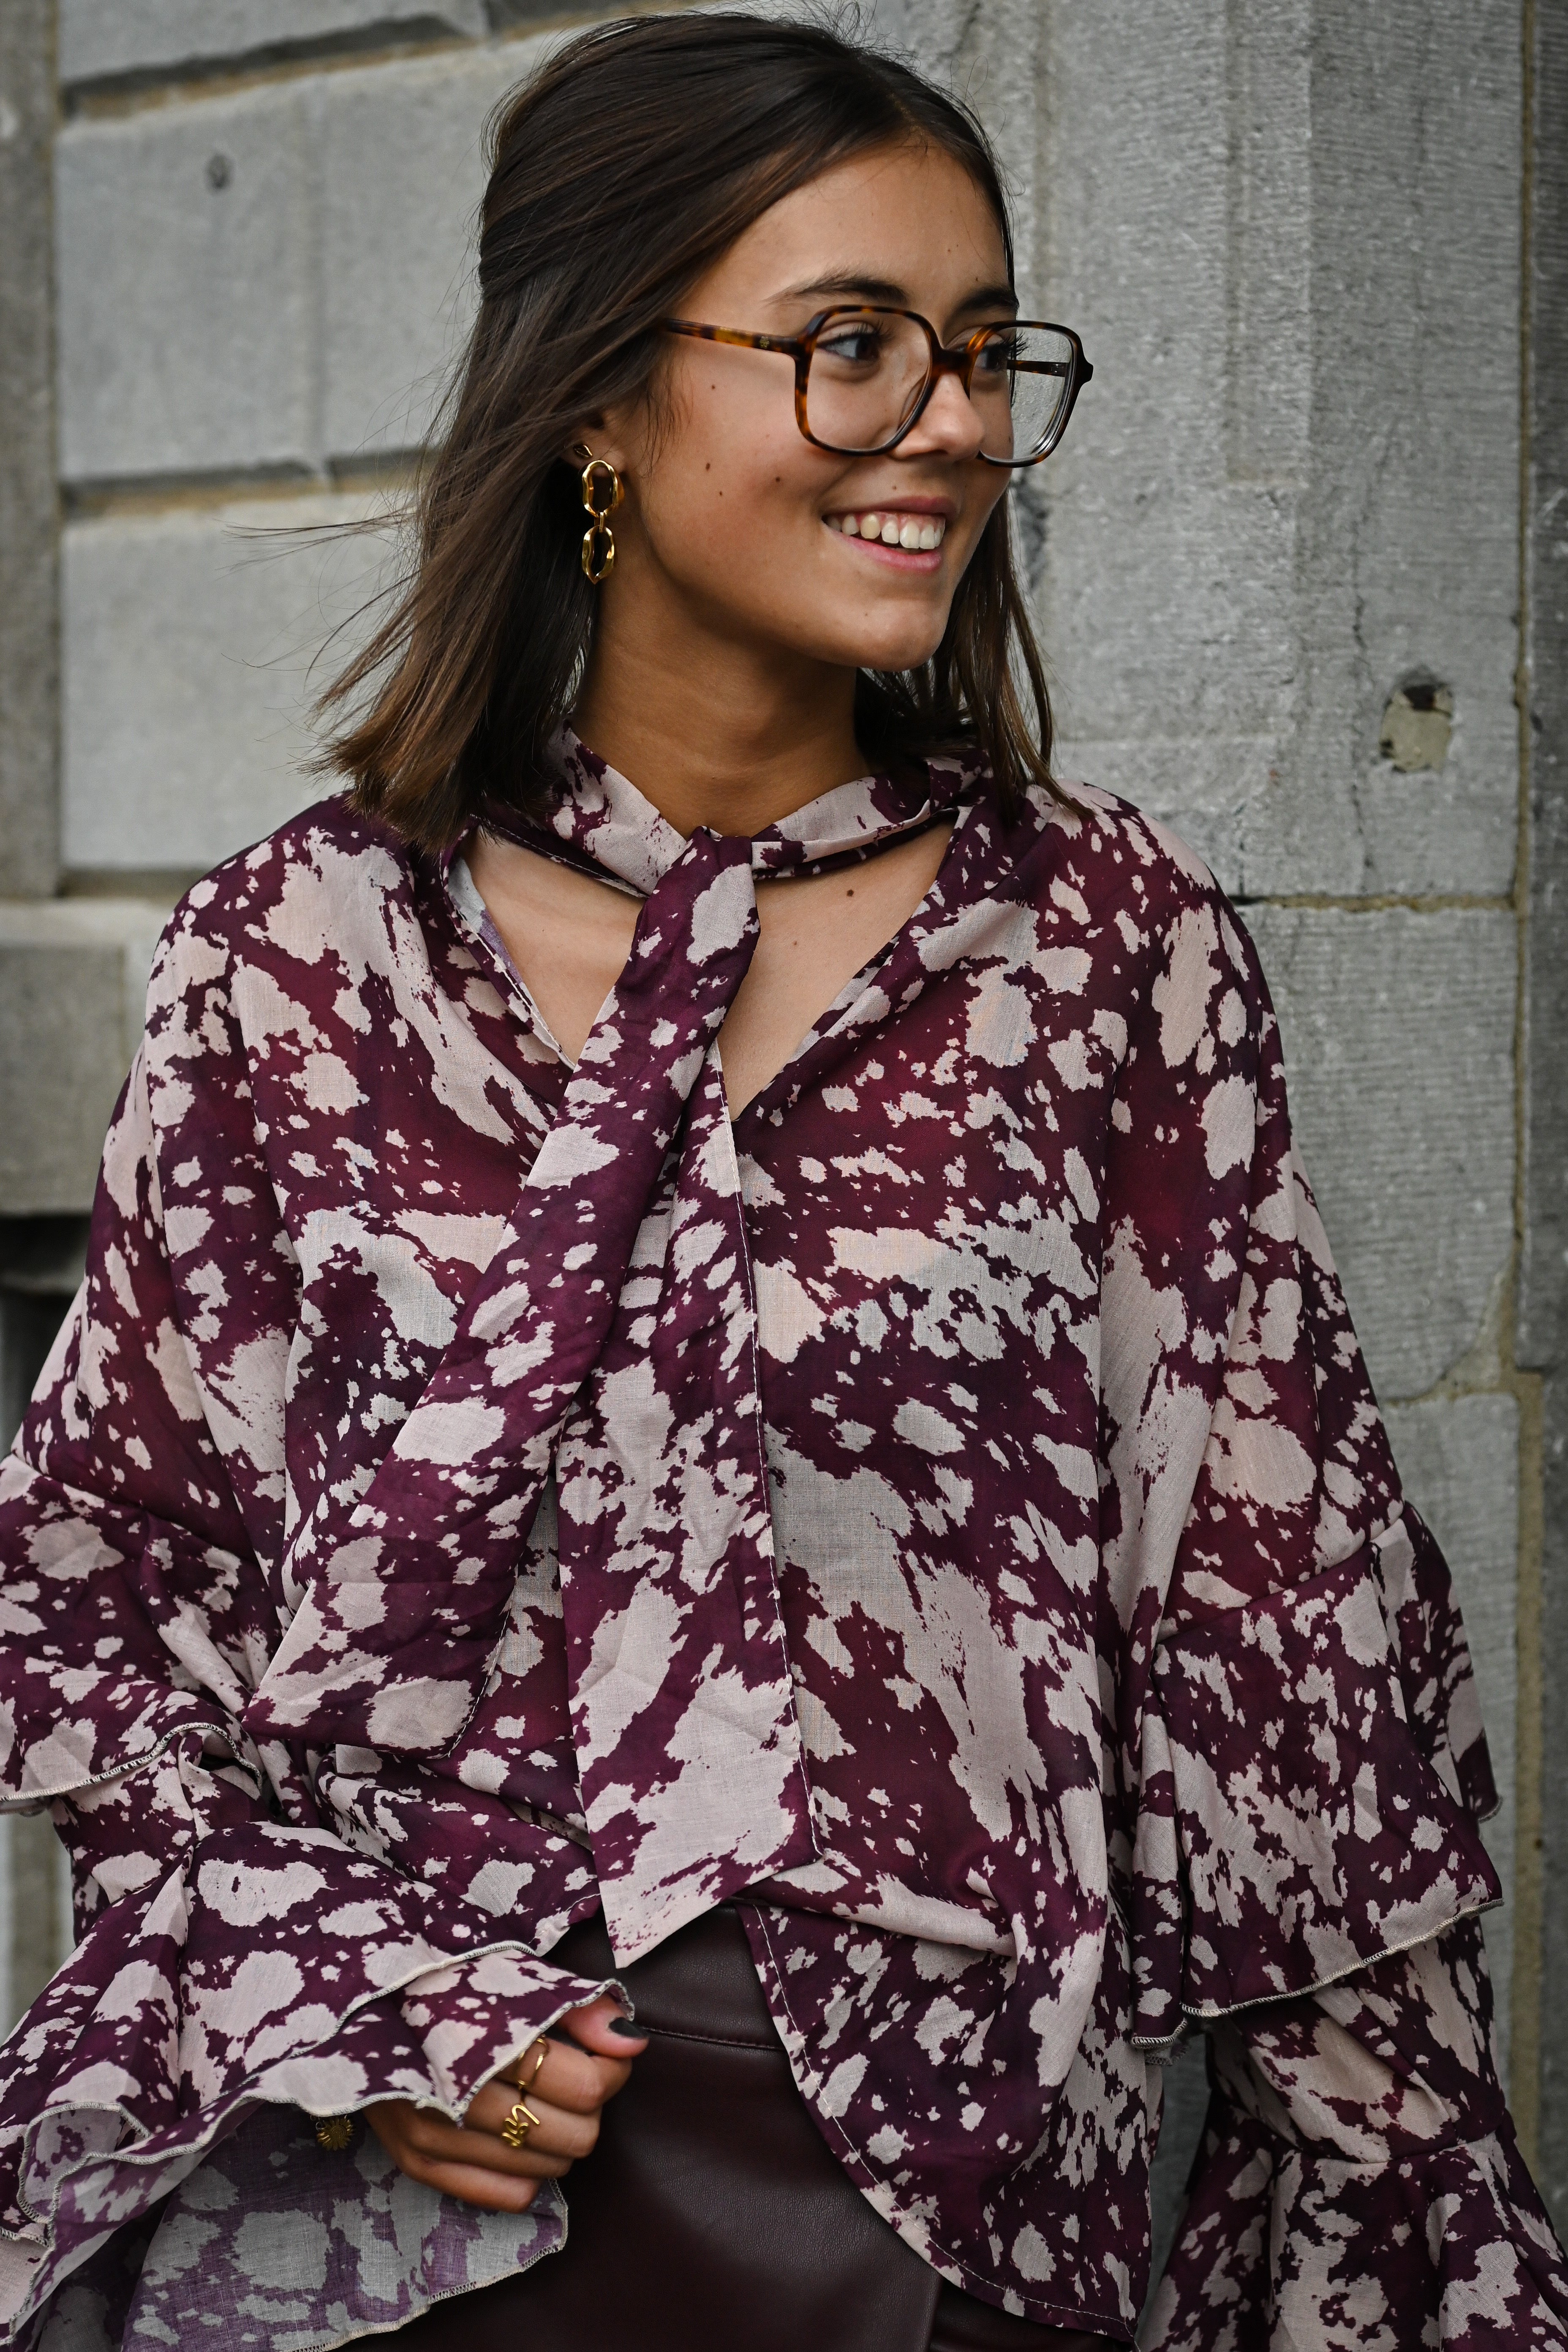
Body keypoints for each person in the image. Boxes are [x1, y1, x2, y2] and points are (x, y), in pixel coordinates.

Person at [0, 12, 1561, 2348]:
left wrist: (1395, 2211)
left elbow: (1282, 1640)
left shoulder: (1096, 944)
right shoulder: (296, 959)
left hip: (943, 2197)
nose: (948, 422)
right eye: (852, 346)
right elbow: (114, 1596)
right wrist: (358, 2002)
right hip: (409, 2209)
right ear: (602, 402)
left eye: (983, 351)